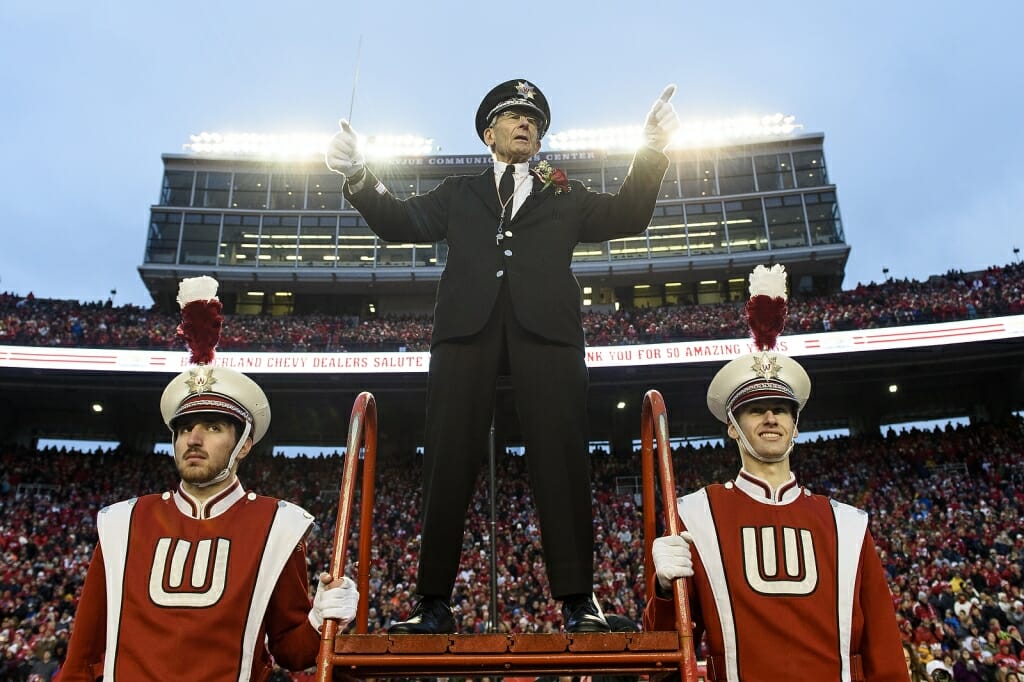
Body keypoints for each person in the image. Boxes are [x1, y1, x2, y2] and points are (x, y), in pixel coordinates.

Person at [325, 79, 678, 634]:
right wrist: (357, 176)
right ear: (489, 132)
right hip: (467, 330)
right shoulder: (458, 193)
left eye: (534, 120)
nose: (526, 125)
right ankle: (433, 604)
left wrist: (652, 147)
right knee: (446, 456)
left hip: (549, 334)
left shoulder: (565, 192)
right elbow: (399, 223)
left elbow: (628, 215)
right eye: (515, 117)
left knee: (562, 456)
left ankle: (580, 602)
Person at [57, 277, 358, 681]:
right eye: (184, 429)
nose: (193, 439)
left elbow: (291, 650)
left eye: (213, 427)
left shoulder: (278, 525)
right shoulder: (122, 522)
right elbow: (82, 656)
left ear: (245, 445)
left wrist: (321, 618)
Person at [643, 264, 908, 681]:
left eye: (781, 409)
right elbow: (662, 658)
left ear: (796, 425)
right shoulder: (694, 514)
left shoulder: (848, 524)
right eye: (754, 409)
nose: (770, 417)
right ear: (732, 427)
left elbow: (886, 652)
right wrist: (661, 590)